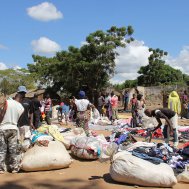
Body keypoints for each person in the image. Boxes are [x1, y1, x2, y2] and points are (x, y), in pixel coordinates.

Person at [0, 91, 24, 173]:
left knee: (2, 149)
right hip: (13, 128)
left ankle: (1, 169)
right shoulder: (21, 106)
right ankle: (14, 168)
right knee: (13, 149)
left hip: (2, 128)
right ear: (20, 99)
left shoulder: (6, 102)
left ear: (14, 97)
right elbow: (19, 120)